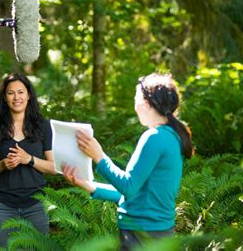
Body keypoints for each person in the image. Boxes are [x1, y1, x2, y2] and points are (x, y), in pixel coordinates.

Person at [62, 73, 193, 250]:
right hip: (151, 234)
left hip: (143, 235)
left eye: (135, 98)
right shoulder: (171, 136)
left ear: (146, 104)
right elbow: (135, 194)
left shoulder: (154, 137)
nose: (134, 104)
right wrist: (86, 184)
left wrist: (99, 156)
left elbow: (128, 187)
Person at [0, 73, 56, 249]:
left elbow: (53, 167)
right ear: (4, 98)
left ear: (29, 95)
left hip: (36, 205)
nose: (16, 97)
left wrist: (28, 159)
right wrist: (2, 165)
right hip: (4, 206)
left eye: (20, 92)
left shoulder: (43, 126)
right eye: (10, 93)